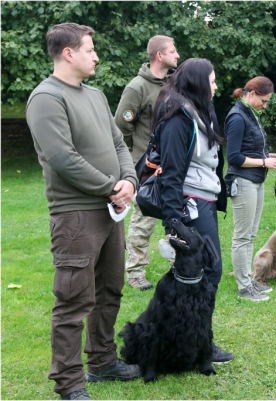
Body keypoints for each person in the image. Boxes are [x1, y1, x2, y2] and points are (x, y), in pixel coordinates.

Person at [26, 23, 141, 400]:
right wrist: (111, 187)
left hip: (110, 210)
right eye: (90, 49)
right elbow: (62, 159)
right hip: (76, 214)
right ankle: (69, 382)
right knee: (74, 299)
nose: (96, 56)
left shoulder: (95, 95)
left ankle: (103, 362)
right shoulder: (46, 98)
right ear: (69, 53)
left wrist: (128, 180)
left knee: (110, 289)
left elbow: (118, 142)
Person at [151, 57, 233, 364]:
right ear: (198, 83)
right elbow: (171, 172)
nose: (215, 85)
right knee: (207, 271)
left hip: (205, 201)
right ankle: (200, 343)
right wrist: (173, 220)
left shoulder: (199, 112)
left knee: (207, 272)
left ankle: (196, 340)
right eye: (211, 80)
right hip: (190, 205)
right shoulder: (178, 117)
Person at [114, 35, 179, 290]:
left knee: (176, 217)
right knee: (143, 219)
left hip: (172, 164)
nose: (177, 55)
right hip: (146, 168)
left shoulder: (174, 84)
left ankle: (179, 265)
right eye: (172, 51)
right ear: (159, 56)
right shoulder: (137, 87)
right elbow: (121, 125)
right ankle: (136, 272)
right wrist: (137, 155)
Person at [225, 77, 276, 302]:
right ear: (251, 93)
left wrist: (272, 156)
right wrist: (263, 163)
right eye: (264, 100)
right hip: (243, 181)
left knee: (250, 235)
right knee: (242, 236)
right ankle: (243, 287)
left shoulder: (250, 114)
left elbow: (251, 149)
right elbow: (233, 157)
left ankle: (249, 280)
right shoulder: (237, 117)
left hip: (256, 181)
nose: (265, 105)